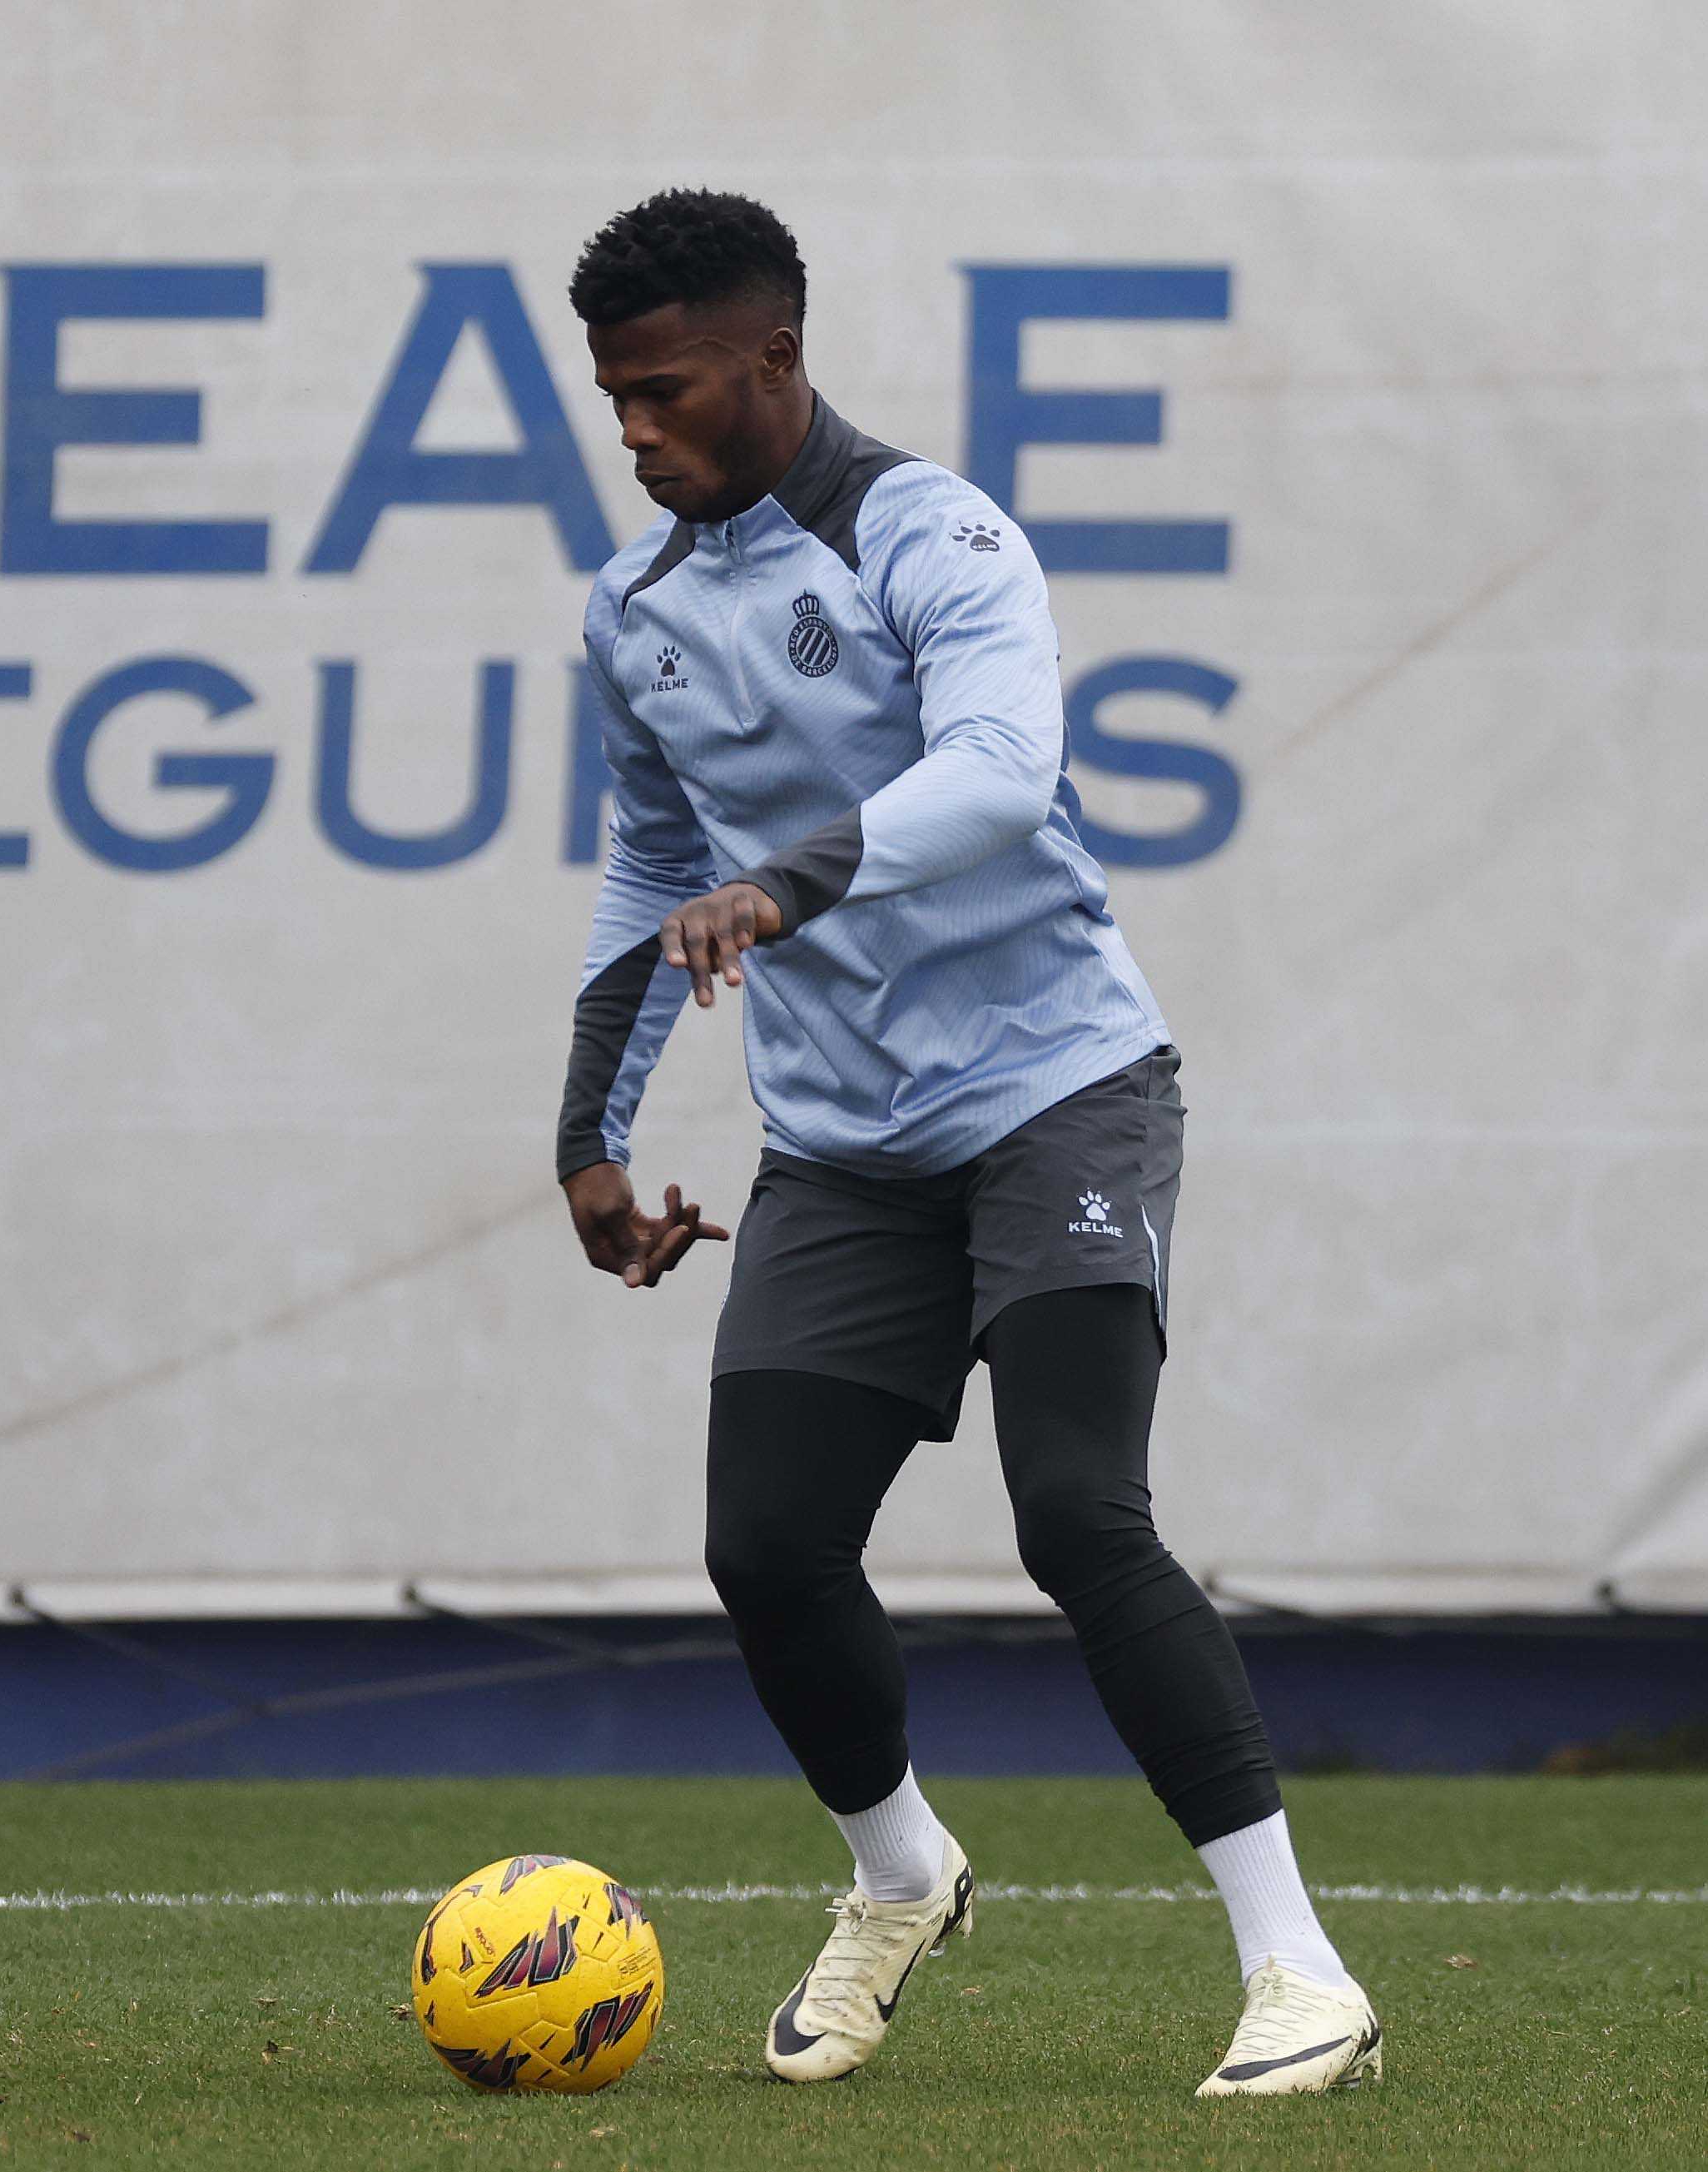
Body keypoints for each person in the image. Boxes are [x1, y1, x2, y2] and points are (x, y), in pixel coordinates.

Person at [554, 188, 1380, 2099]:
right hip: (843, 1148)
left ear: (773, 355)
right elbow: (647, 865)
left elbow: (1001, 779)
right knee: (766, 1545)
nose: (636, 431)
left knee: (1075, 1513)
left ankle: (1298, 1971)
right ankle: (900, 1877)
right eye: (612, 400)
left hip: (1054, 1090)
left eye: (666, 391)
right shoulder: (631, 610)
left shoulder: (935, 536)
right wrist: (586, 1140)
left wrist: (782, 886)